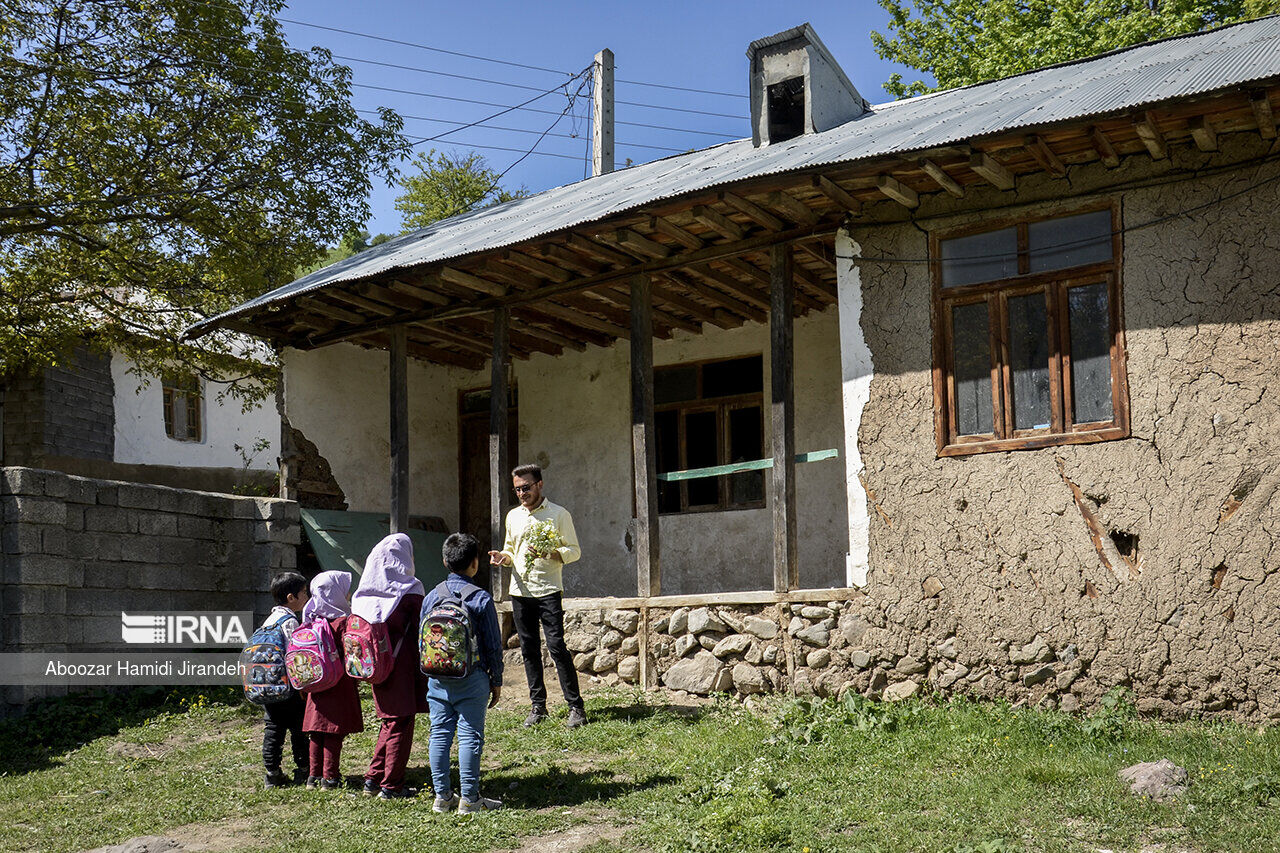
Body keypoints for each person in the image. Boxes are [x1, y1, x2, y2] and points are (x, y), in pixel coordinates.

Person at [487, 463, 586, 729]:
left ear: (540, 484)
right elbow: (511, 551)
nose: (522, 493)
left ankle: (575, 707)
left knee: (556, 647)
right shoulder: (513, 517)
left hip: (548, 590)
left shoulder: (559, 514)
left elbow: (574, 550)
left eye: (526, 487)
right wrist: (502, 558)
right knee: (529, 650)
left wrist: (553, 554)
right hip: (520, 592)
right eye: (517, 489)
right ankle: (538, 706)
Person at [424, 532, 504, 813]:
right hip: (472, 678)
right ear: (475, 563)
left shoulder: (432, 596)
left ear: (445, 561)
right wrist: (496, 680)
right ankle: (470, 799)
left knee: (440, 734)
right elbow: (493, 644)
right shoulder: (480, 598)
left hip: (437, 679)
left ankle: (442, 797)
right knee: (470, 736)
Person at [351, 533, 428, 800]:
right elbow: (423, 630)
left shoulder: (363, 596)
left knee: (389, 722)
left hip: (374, 669)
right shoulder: (409, 593)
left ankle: (373, 778)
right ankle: (391, 786)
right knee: (401, 724)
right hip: (401, 669)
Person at [300, 570, 362, 790]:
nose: (348, 595)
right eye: (344, 591)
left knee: (316, 731)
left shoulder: (311, 620)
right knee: (333, 731)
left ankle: (313, 777)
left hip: (315, 684)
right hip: (338, 683)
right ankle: (330, 777)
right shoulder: (343, 622)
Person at [261, 571, 309, 788]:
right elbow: (294, 655)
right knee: (299, 727)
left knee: (273, 728)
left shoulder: (269, 620)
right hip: (287, 686)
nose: (306, 597)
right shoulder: (289, 621)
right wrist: (301, 685)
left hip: (267, 685)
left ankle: (272, 774)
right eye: (304, 593)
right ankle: (303, 770)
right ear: (291, 598)